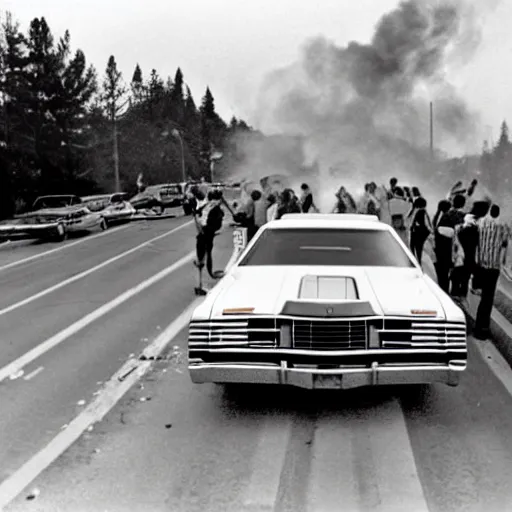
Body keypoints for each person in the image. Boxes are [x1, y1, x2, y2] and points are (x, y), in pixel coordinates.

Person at [473, 204, 511, 339]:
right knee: (487, 299)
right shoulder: (503, 226)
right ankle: (482, 329)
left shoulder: (481, 222)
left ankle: (479, 325)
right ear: (498, 213)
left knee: (483, 298)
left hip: (480, 266)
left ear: (489, 212)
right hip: (493, 268)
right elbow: (506, 243)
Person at [193, 189, 225, 279]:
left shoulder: (207, 205)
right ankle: (209, 273)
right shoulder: (216, 208)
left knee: (202, 252)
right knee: (208, 253)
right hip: (207, 232)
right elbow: (217, 223)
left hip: (202, 231)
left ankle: (201, 266)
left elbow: (197, 213)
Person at [432, 199, 453, 293]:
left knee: (441, 275)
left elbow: (433, 225)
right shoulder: (448, 218)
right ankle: (445, 293)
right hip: (447, 251)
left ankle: (442, 292)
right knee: (445, 276)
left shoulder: (438, 219)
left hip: (438, 250)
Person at [409, 196, 432, 266]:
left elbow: (425, 224)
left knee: (416, 251)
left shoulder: (418, 212)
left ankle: (418, 264)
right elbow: (427, 224)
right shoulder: (422, 212)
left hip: (416, 235)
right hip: (420, 235)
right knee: (418, 252)